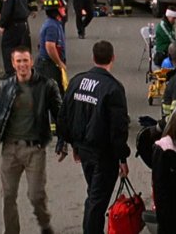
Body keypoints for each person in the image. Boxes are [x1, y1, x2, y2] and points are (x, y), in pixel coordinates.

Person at [0, 46, 62, 234]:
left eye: (25, 60)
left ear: (31, 62)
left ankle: (44, 224)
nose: (22, 65)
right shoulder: (5, 87)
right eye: (18, 61)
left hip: (35, 150)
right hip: (10, 150)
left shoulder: (46, 86)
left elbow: (60, 115)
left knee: (36, 195)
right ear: (13, 63)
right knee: (8, 196)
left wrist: (64, 141)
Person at [55, 41, 130, 234]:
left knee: (94, 194)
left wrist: (72, 143)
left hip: (84, 150)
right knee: (97, 201)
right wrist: (122, 158)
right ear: (113, 58)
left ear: (93, 58)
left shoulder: (77, 82)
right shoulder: (113, 88)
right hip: (104, 154)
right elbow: (118, 128)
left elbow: (64, 115)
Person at [0, 0, 33, 79]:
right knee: (20, 47)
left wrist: (2, 25)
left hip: (12, 25)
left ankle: (10, 72)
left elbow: (6, 12)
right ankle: (21, 70)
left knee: (7, 47)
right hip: (23, 24)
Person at [35, 0, 66, 95]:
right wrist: (60, 63)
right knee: (53, 94)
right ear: (55, 11)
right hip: (48, 66)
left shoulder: (54, 23)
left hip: (49, 64)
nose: (64, 9)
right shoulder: (52, 26)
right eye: (61, 7)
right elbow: (50, 47)